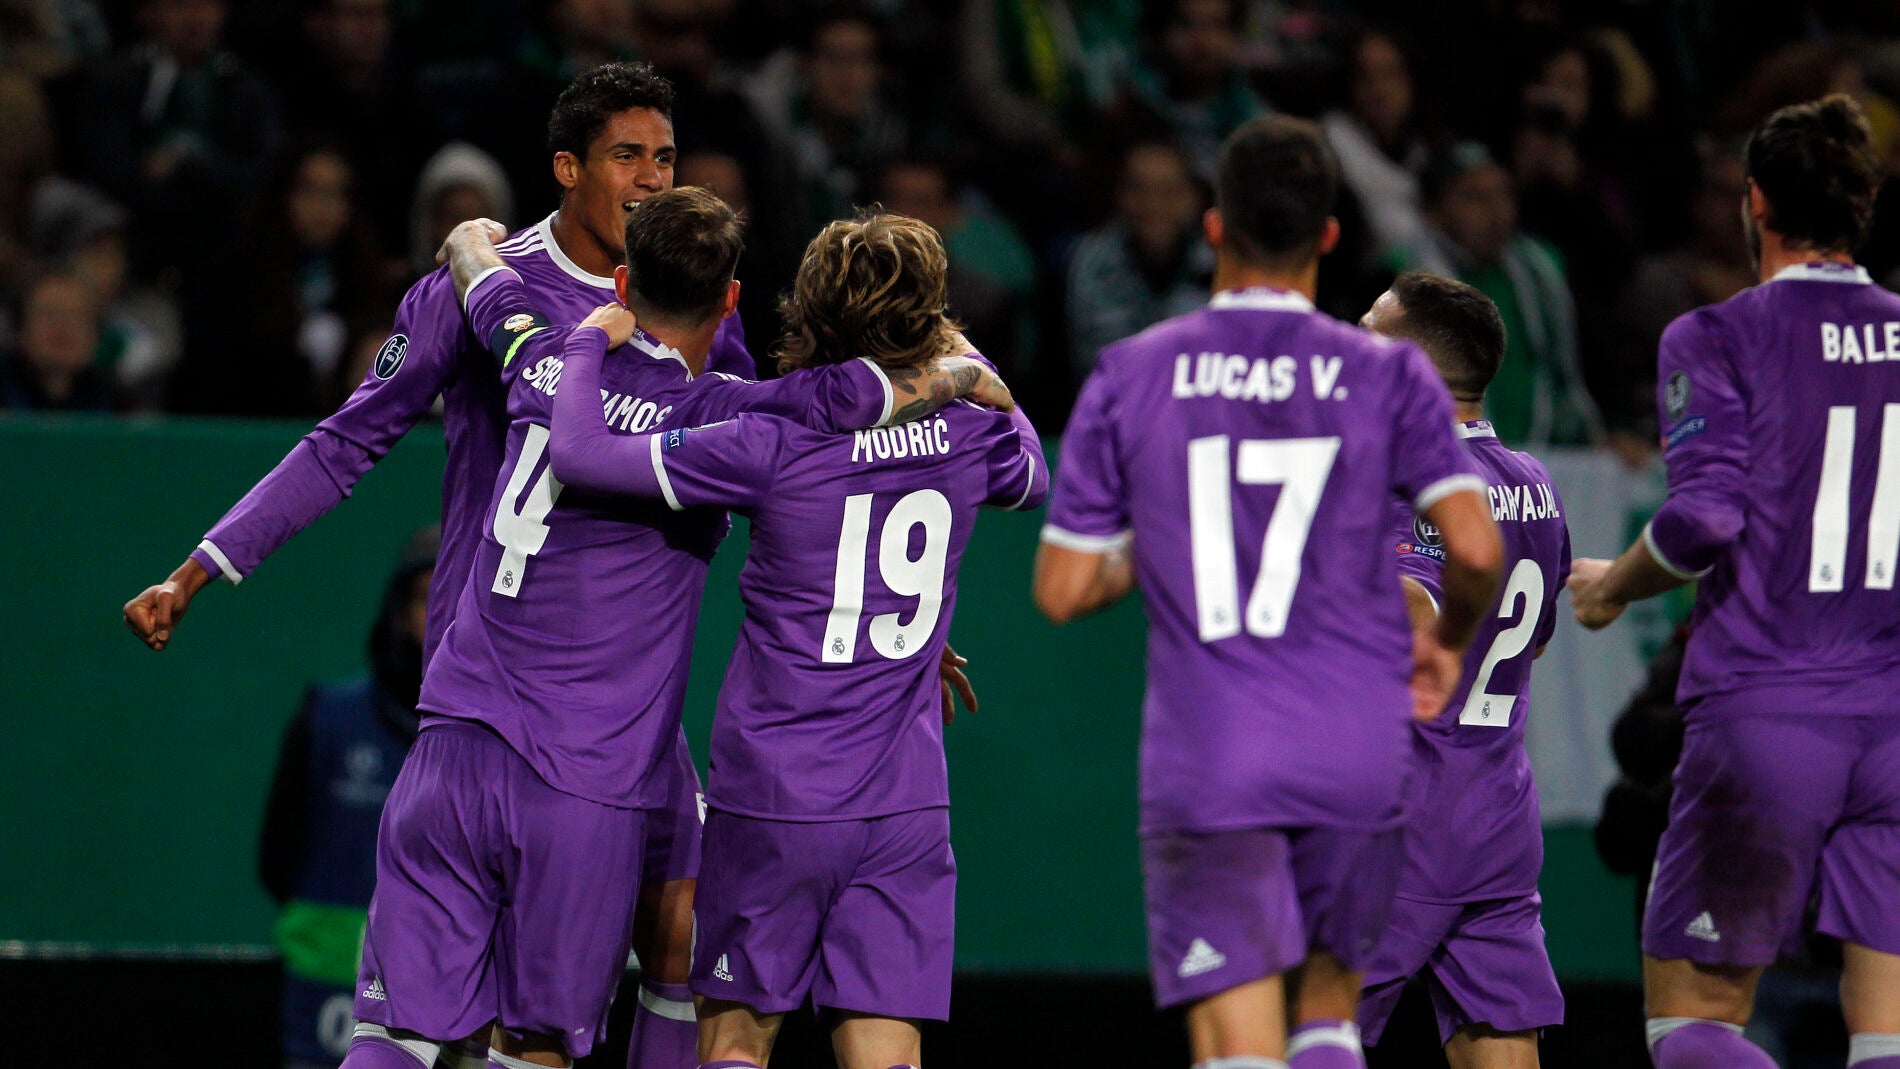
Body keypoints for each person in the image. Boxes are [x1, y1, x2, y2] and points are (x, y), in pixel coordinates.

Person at [120, 62, 988, 1069]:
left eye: (664, 157)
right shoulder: (482, 297)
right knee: (519, 1023)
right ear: (567, 167)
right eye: (628, 156)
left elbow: (776, 480)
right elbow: (343, 443)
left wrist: (882, 613)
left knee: (681, 927)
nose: (651, 179)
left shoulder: (636, 303)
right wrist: (204, 564)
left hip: (625, 708)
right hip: (511, 674)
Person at [353, 187, 1002, 1069]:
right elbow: (1016, 453)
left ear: (623, 282)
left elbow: (531, 365)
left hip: (542, 740)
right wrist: (957, 365)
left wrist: (490, 262)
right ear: (731, 299)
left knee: (721, 1034)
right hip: (860, 788)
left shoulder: (612, 381)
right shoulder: (883, 427)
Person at [1031, 115, 1504, 1069]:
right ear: (1329, 236)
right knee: (1328, 1015)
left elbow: (1064, 588)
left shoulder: (1132, 372)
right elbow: (1478, 549)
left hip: (1213, 753)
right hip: (1357, 748)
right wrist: (1446, 638)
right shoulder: (1390, 375)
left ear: (1214, 227)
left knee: (1238, 1040)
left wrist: (1146, 552)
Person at [540, 210, 1046, 1069]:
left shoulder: (770, 438)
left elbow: (582, 455)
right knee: (887, 1054)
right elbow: (1032, 469)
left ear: (809, 316)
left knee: (737, 1037)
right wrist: (959, 364)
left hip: (776, 792)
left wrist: (588, 344)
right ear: (928, 317)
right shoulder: (970, 426)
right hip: (906, 801)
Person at [1568, 93, 1900, 1069]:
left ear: (1752, 201)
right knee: (1883, 1027)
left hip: (1766, 713)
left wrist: (1610, 588)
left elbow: (1705, 519)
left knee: (1694, 1022)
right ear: (1861, 207)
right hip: (1890, 722)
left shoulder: (1716, 336)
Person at [1353, 272, 1570, 1069]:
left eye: (1368, 330)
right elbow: (1534, 639)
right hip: (1498, 815)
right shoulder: (1534, 484)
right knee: (1499, 1044)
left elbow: (1416, 613)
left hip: (1402, 813)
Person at [258, 527, 437, 1069]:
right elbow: (277, 861)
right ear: (399, 611)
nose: (441, 617)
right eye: (428, 600)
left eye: (457, 597)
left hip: (455, 1002)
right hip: (328, 997)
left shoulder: (508, 740)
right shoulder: (327, 719)